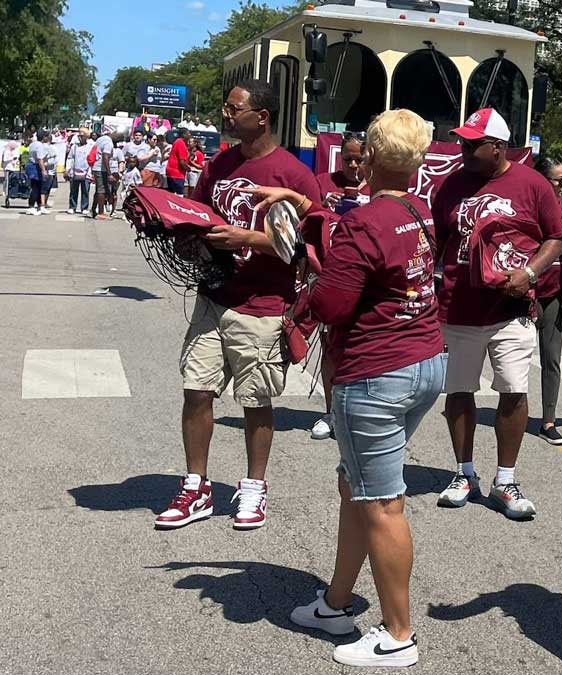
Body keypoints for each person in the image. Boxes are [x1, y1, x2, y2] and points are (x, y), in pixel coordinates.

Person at [245, 109, 442, 668]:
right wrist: (310, 210)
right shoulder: (416, 210)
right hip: (423, 360)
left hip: (376, 371)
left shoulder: (366, 223)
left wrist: (307, 289)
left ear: (371, 158)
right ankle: (336, 601)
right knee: (355, 485)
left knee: (381, 501)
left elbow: (333, 303)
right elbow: (363, 243)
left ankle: (398, 634)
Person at [152, 79, 322, 531]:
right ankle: (197, 487)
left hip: (263, 304)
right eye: (226, 107)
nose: (225, 115)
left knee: (256, 400)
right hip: (214, 297)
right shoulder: (219, 165)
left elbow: (311, 250)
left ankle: (253, 488)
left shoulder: (295, 176)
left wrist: (249, 239)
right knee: (196, 390)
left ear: (261, 117)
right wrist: (178, 231)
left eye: (233, 109)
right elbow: (196, 213)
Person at [431, 108, 562, 520]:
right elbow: (436, 242)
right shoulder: (449, 185)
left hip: (511, 309)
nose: (464, 150)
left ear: (498, 147)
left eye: (473, 145)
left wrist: (529, 272)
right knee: (459, 391)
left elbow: (557, 236)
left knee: (513, 391)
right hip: (458, 306)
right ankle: (464, 473)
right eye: (462, 143)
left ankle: (505, 480)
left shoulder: (533, 185)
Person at [310, 132, 371, 442]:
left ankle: (359, 413)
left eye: (360, 159)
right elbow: (302, 219)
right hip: (330, 275)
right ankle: (330, 411)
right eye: (347, 158)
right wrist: (322, 204)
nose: (353, 165)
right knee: (330, 346)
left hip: (368, 280)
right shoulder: (323, 181)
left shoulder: (379, 187)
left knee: (362, 348)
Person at [531, 155, 562, 445]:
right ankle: (512, 410)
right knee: (516, 359)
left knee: (552, 358)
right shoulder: (526, 204)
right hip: (527, 290)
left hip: (556, 290)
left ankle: (548, 419)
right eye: (559, 180)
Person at [65, 129, 94, 215]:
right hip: (75, 172)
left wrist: (91, 172)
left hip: (86, 172)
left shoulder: (90, 146)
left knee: (85, 191)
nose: (80, 138)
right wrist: (67, 169)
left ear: (86, 137)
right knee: (73, 191)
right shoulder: (74, 147)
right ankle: (72, 207)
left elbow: (92, 159)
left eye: (82, 136)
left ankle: (84, 207)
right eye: (79, 136)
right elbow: (70, 158)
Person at [90, 130, 115, 220]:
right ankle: (100, 213)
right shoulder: (109, 143)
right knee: (102, 190)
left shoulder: (100, 139)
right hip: (101, 169)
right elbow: (105, 157)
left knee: (98, 190)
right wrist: (109, 173)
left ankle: (93, 210)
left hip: (96, 167)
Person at [25, 130, 51, 215]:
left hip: (31, 165)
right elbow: (40, 159)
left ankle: (40, 206)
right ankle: (31, 207)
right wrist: (44, 170)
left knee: (39, 187)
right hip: (35, 167)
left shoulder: (33, 144)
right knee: (35, 187)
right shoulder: (40, 145)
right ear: (44, 137)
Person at [165, 127, 194, 195]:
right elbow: (182, 162)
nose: (190, 135)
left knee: (171, 194)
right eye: (188, 133)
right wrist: (189, 169)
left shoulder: (177, 142)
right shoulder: (181, 144)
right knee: (179, 195)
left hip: (171, 172)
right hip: (177, 173)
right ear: (184, 135)